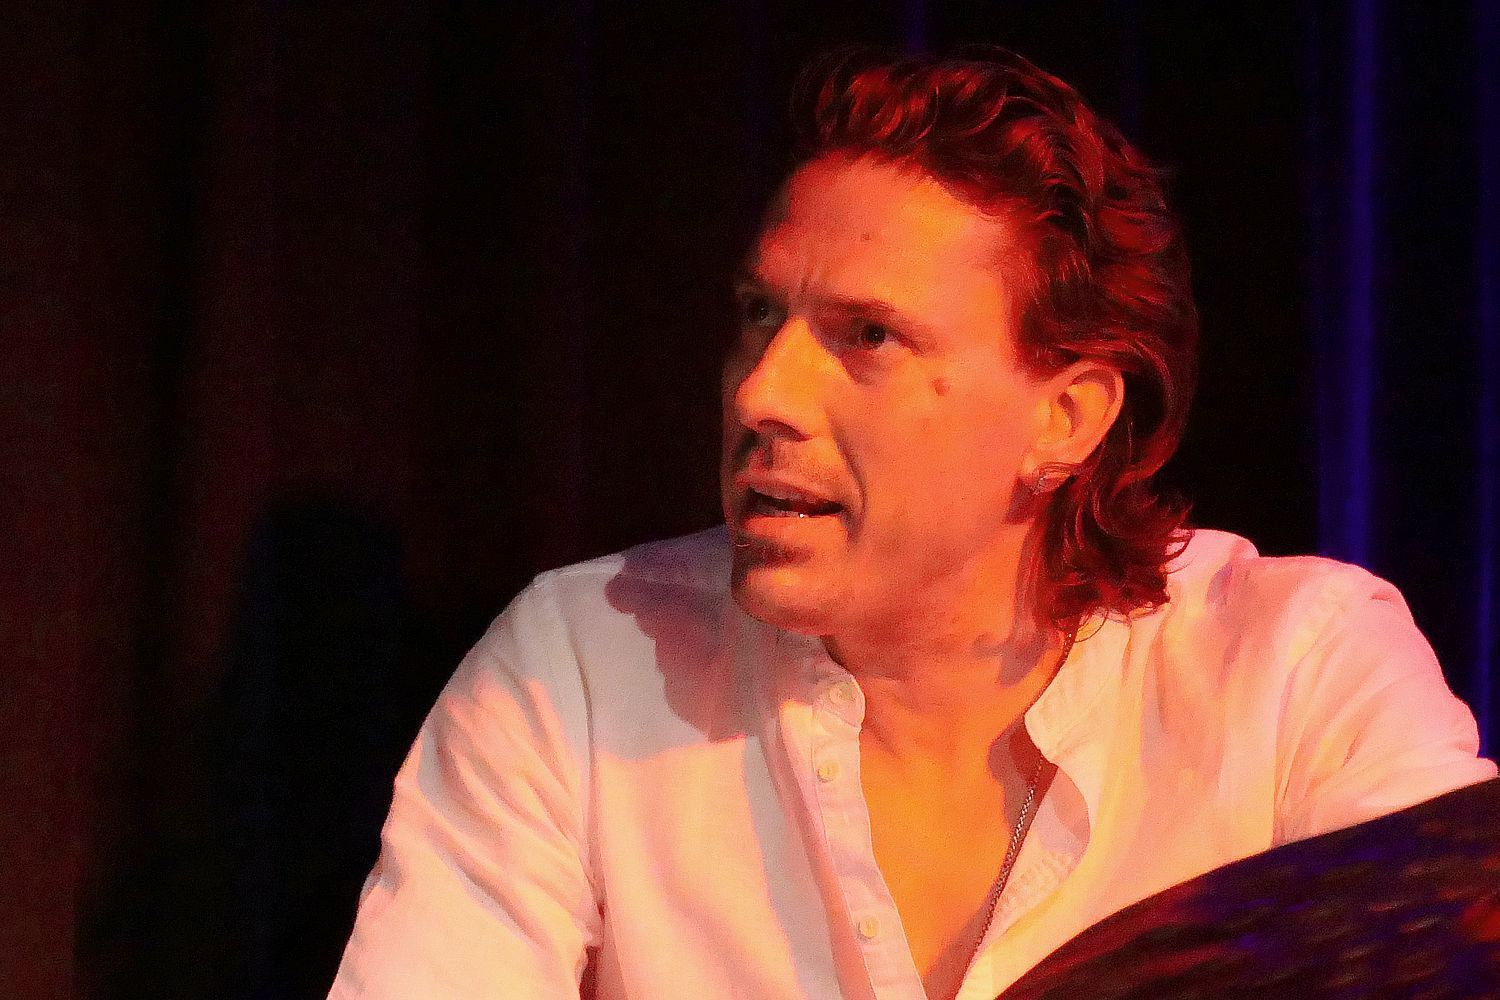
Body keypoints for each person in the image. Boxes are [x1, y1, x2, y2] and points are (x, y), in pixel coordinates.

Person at [327, 48, 1495, 1000]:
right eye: (759, 316)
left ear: (1067, 417)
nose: (761, 393)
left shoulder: (1298, 672)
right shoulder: (582, 668)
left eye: (868, 336)